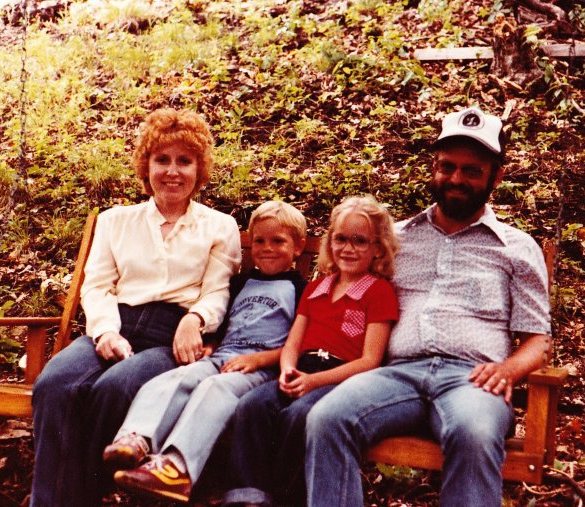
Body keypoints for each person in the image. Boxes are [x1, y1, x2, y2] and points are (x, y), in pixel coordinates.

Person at [303, 107, 552, 507]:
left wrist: (507, 371)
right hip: (395, 375)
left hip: (471, 382)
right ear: (433, 168)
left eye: (471, 170)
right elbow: (343, 289)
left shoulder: (517, 248)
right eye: (447, 167)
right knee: (327, 419)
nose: (456, 178)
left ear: (496, 176)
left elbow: (538, 341)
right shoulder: (395, 238)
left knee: (473, 432)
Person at [30, 109, 242, 507]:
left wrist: (195, 319)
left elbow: (217, 292)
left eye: (184, 160)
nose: (173, 171)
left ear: (200, 168)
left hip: (172, 336)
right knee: (54, 384)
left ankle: (83, 496)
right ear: (147, 165)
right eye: (162, 159)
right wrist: (107, 331)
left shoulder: (219, 226)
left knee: (116, 387)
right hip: (116, 322)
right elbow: (97, 287)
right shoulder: (116, 221)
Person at [102, 200, 308, 503]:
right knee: (174, 379)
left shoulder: (302, 289)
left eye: (278, 241)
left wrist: (260, 360)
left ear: (299, 247)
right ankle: (136, 438)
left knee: (215, 388)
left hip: (262, 367)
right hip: (222, 355)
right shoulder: (241, 283)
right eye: (260, 241)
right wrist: (209, 345)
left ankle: (177, 467)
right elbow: (223, 324)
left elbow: (302, 343)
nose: (267, 248)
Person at [223, 195, 401, 507]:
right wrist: (289, 368)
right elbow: (294, 339)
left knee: (299, 416)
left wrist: (315, 382)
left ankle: (285, 497)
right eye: (341, 239)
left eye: (359, 241)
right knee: (253, 406)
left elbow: (370, 361)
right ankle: (247, 493)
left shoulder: (378, 291)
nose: (348, 248)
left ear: (378, 247)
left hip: (340, 378)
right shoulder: (318, 287)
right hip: (300, 369)